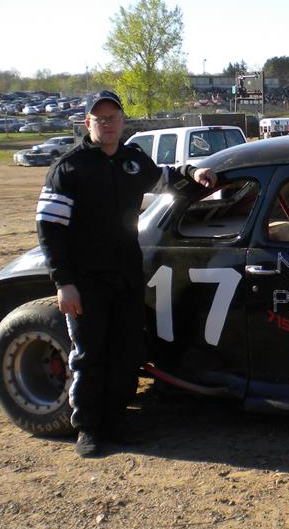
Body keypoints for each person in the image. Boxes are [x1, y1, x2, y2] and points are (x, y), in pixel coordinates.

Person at [36, 91, 215, 457]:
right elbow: (49, 229)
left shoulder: (133, 161)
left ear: (122, 122)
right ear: (87, 123)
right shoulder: (69, 168)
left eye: (113, 117)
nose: (107, 123)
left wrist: (193, 172)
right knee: (90, 355)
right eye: (99, 118)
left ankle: (118, 422)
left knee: (126, 353)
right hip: (86, 283)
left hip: (127, 278)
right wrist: (63, 282)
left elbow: (166, 178)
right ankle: (88, 429)